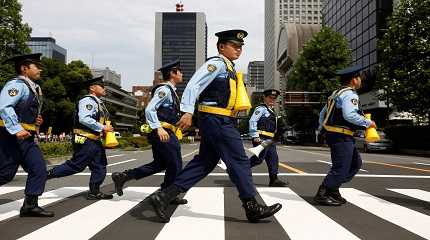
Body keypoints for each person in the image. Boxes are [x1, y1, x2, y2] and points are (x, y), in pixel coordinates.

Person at [147, 29, 282, 223]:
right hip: (217, 120)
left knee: (205, 162)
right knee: (240, 160)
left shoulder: (229, 68)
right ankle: (251, 205)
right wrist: (187, 111)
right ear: (221, 46)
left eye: (240, 47)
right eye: (234, 46)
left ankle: (164, 196)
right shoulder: (216, 64)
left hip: (218, 120)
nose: (238, 50)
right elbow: (194, 85)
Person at [111, 59, 187, 205]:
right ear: (173, 73)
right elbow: (149, 109)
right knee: (175, 163)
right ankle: (166, 194)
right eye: (180, 71)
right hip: (162, 132)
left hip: (164, 131)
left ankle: (123, 176)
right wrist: (158, 128)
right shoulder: (164, 90)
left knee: (159, 164)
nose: (182, 74)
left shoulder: (170, 91)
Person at [314, 65, 376, 206]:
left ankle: (333, 188)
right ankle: (323, 193)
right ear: (354, 80)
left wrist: (322, 129)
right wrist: (368, 123)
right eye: (359, 77)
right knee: (341, 167)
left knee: (355, 163)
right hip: (341, 135)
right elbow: (349, 115)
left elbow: (322, 114)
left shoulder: (336, 93)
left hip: (338, 134)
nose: (360, 80)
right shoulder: (350, 94)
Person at [0, 53, 54, 217]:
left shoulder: (33, 87)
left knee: (39, 169)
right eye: (36, 66)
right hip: (10, 136)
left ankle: (30, 205)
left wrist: (35, 120)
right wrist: (17, 129)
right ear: (24, 69)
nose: (40, 69)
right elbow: (4, 107)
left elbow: (23, 109)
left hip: (27, 137)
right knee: (5, 173)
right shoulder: (16, 85)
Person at [47, 76, 114, 200]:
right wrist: (103, 127)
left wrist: (104, 130)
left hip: (94, 139)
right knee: (77, 165)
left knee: (100, 165)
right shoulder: (88, 101)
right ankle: (47, 174)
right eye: (102, 86)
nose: (105, 89)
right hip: (85, 139)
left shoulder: (98, 103)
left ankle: (94, 191)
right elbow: (84, 118)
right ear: (92, 88)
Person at [248, 89, 288, 187]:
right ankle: (237, 169)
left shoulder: (271, 110)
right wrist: (255, 135)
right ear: (265, 97)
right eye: (270, 97)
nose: (272, 100)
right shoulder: (261, 108)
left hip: (270, 139)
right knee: (259, 159)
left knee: (273, 158)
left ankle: (274, 180)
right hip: (261, 138)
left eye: (274, 98)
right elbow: (252, 121)